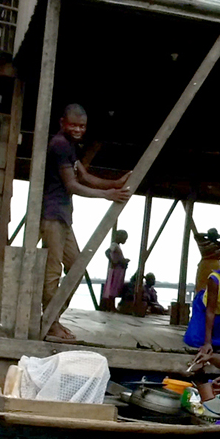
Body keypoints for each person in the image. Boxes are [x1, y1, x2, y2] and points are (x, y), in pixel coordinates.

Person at [41, 104, 132, 342]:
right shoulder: (59, 144)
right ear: (63, 123)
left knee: (77, 268)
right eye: (74, 125)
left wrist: (114, 184)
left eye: (82, 126)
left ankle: (51, 318)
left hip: (63, 217)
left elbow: (85, 176)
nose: (79, 129)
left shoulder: (70, 146)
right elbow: (72, 185)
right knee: (53, 272)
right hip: (52, 215)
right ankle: (50, 323)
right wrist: (108, 195)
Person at [100, 230, 129, 312]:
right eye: (124, 239)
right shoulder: (114, 245)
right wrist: (114, 261)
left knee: (115, 288)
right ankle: (111, 306)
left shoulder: (117, 246)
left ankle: (111, 306)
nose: (125, 241)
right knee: (113, 288)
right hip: (116, 271)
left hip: (118, 270)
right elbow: (107, 252)